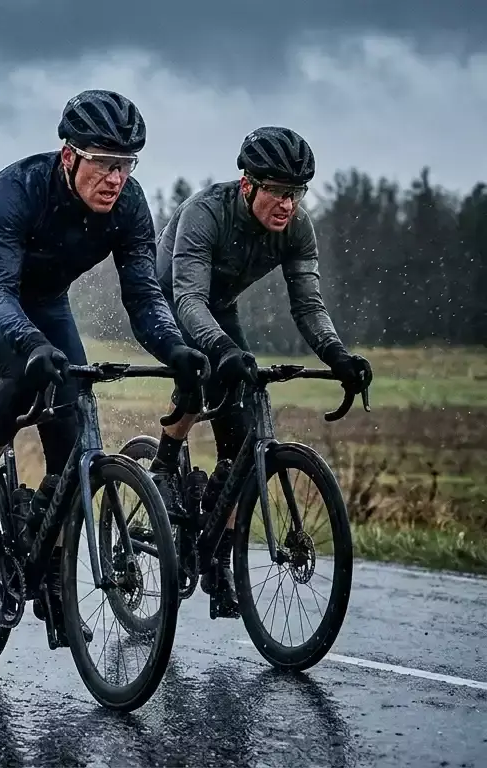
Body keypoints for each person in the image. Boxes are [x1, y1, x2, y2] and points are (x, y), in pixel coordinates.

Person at [0, 90, 208, 648]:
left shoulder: (130, 207)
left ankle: (52, 579)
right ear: (70, 156)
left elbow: (143, 297)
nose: (115, 177)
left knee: (72, 437)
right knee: (23, 365)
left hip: (46, 302)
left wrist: (177, 351)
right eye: (104, 163)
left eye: (126, 164)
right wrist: (30, 343)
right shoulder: (19, 188)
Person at [153, 126, 374, 618]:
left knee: (243, 439)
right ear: (248, 184)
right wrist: (219, 350)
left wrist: (338, 355)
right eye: (277, 190)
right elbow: (188, 298)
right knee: (206, 371)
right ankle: (165, 461)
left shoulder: (297, 228)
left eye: (296, 193)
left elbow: (308, 306)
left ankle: (220, 559)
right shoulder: (204, 214)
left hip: (221, 305)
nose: (287, 204)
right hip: (170, 301)